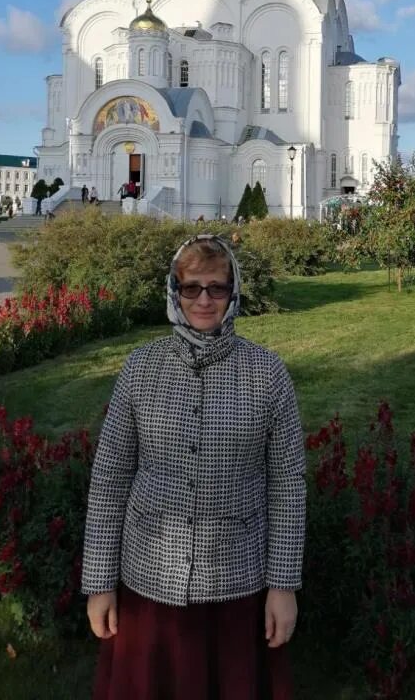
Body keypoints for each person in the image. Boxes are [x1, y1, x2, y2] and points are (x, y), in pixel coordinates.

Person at [82, 235, 305, 700]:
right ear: (174, 292)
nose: (204, 299)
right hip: (150, 579)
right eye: (191, 288)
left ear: (233, 292)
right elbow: (110, 478)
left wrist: (283, 587)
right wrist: (99, 583)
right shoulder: (141, 368)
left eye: (216, 288)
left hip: (235, 582)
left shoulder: (266, 373)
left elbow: (288, 486)